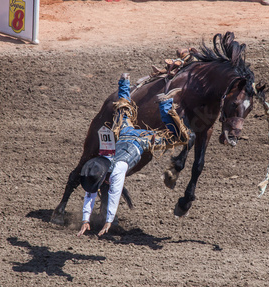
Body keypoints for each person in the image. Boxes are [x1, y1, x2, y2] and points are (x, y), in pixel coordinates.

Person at [77, 73, 190, 237]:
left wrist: (109, 221)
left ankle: (166, 105)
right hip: (126, 133)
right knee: (123, 111)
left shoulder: (117, 170)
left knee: (179, 138)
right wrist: (85, 220)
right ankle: (124, 82)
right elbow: (90, 193)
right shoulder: (99, 165)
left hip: (143, 141)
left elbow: (114, 194)